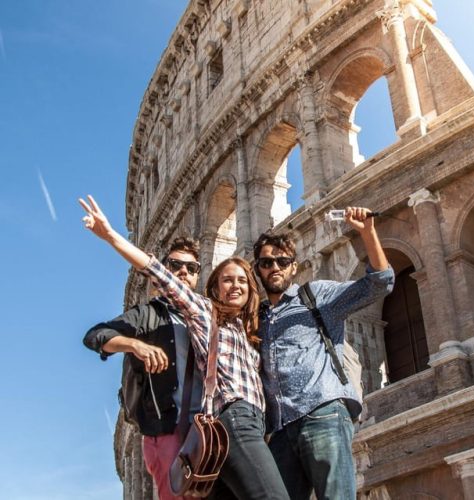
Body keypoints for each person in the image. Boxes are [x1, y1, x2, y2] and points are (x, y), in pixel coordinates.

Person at [80, 195, 290, 500]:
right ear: (215, 288)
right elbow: (156, 272)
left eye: (242, 281)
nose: (235, 285)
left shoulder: (246, 330)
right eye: (227, 280)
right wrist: (111, 235)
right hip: (223, 420)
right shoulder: (204, 312)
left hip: (243, 426)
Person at [253, 207, 395, 500]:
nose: (275, 267)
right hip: (279, 430)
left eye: (283, 261)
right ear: (258, 269)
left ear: (294, 267)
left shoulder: (315, 296)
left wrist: (367, 232)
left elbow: (381, 282)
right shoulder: (256, 318)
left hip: (323, 414)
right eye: (267, 262)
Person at [83, 236, 204, 500]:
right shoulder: (146, 314)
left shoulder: (204, 316)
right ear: (159, 275)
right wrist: (133, 345)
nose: (183, 272)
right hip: (167, 430)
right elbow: (95, 335)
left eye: (192, 268)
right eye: (175, 265)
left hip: (205, 430)